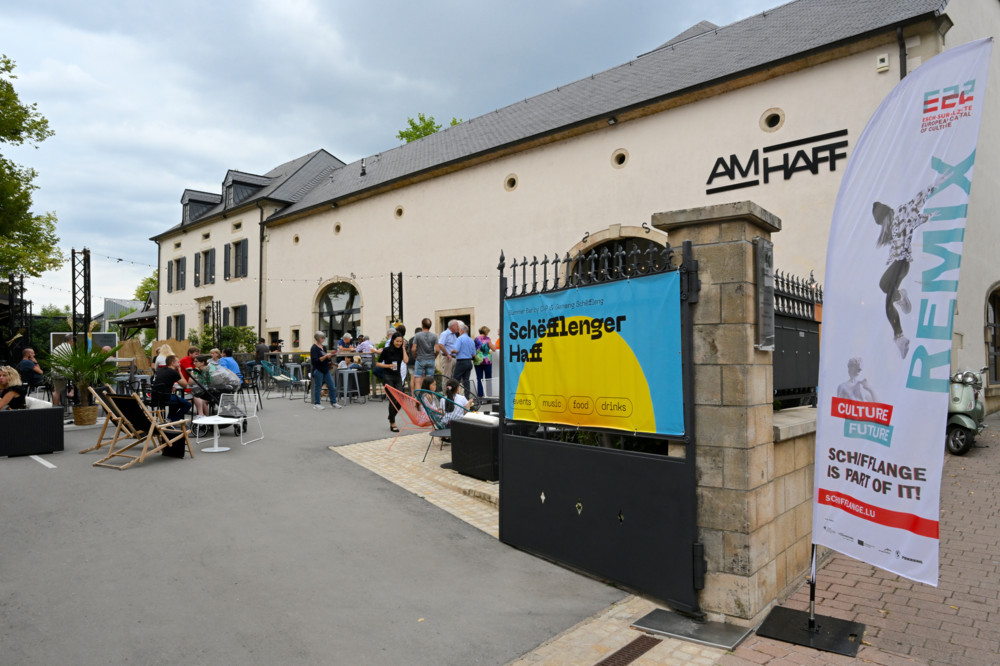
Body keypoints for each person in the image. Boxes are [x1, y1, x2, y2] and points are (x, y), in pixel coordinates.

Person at [873, 171, 948, 359]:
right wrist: (927, 217)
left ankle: (899, 336)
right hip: (897, 264)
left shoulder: (901, 212)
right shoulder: (891, 227)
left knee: (887, 298)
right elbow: (915, 221)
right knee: (883, 285)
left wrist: (934, 185)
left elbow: (916, 202)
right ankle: (901, 297)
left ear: (888, 213)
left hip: (902, 262)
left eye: (884, 221)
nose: (885, 226)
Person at [377, 333, 408, 432]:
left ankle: (391, 416)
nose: (398, 343)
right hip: (388, 376)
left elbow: (406, 360)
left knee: (401, 400)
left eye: (400, 341)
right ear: (393, 341)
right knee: (393, 399)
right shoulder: (386, 350)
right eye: (397, 341)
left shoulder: (401, 350)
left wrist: (403, 348)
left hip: (397, 376)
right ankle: (393, 423)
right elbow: (378, 363)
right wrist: (388, 366)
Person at [150, 355, 191, 421]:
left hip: (155, 397)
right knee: (188, 404)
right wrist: (180, 371)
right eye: (178, 362)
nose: (179, 364)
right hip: (165, 397)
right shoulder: (173, 372)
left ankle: (169, 419)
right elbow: (185, 385)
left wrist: (170, 387)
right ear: (172, 363)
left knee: (176, 402)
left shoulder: (160, 370)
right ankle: (173, 420)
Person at [310, 331, 342, 410]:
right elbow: (315, 361)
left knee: (331, 386)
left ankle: (333, 402)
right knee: (318, 387)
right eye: (322, 337)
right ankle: (317, 403)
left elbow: (325, 358)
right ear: (318, 338)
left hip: (325, 369)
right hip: (318, 369)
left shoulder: (323, 347)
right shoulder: (313, 348)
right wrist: (325, 357)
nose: (324, 339)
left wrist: (329, 357)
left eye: (324, 337)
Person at [410, 318, 438, 394]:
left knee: (418, 380)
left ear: (422, 325)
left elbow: (413, 349)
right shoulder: (434, 336)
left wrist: (415, 356)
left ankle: (418, 399)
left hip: (420, 359)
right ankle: (429, 398)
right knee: (430, 380)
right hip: (431, 359)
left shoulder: (418, 335)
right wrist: (435, 356)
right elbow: (437, 349)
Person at [473, 326, 498, 398]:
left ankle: (480, 395)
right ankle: (489, 395)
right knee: (488, 378)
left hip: (478, 361)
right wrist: (495, 345)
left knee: (479, 378)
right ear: (486, 332)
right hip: (487, 361)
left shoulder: (476, 339)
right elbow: (493, 349)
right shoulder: (488, 339)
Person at [453, 323, 476, 397]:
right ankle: (466, 397)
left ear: (462, 331)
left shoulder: (460, 338)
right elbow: (474, 354)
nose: (459, 331)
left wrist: (451, 351)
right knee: (466, 381)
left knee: (456, 380)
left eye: (459, 330)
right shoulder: (471, 340)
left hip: (461, 361)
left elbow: (456, 350)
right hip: (469, 362)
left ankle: (455, 396)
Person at [51, 333, 73, 407]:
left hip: (55, 372)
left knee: (57, 391)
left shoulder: (57, 347)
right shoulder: (69, 348)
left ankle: (56, 409)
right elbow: (72, 362)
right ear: (72, 340)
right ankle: (72, 392)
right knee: (81, 377)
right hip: (64, 373)